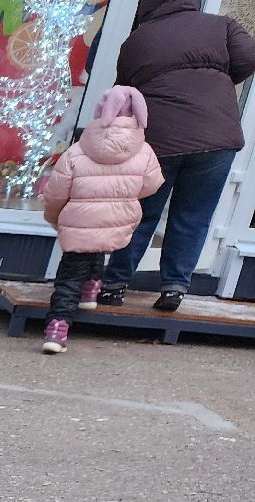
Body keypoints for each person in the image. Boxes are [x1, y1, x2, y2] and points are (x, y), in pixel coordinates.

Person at [97, 0, 255, 312]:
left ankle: (114, 284)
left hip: (159, 139)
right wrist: (219, 79)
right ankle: (173, 288)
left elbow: (124, 92)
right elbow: (249, 57)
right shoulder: (221, 26)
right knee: (193, 217)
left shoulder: (137, 41)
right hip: (217, 138)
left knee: (141, 213)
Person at [40, 86, 164, 354]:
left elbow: (56, 192)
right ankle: (92, 287)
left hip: (79, 221)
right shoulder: (144, 152)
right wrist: (123, 194)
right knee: (98, 244)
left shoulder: (77, 150)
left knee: (69, 274)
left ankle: (57, 327)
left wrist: (55, 218)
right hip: (118, 218)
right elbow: (153, 184)